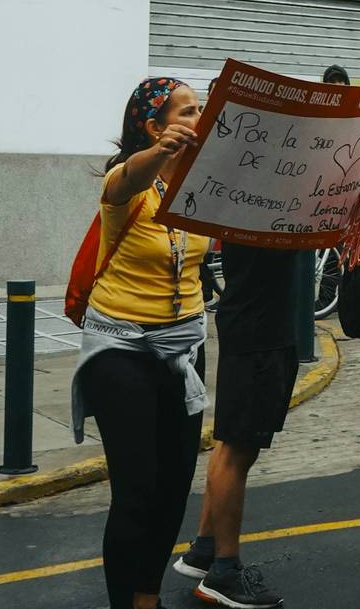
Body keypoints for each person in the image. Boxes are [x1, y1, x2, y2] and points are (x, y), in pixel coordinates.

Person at [68, 78, 213, 609]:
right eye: (188, 111)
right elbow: (129, 177)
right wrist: (159, 154)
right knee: (136, 490)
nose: (200, 116)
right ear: (155, 126)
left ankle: (147, 598)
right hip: (121, 349)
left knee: (174, 487)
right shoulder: (125, 183)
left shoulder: (204, 183)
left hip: (185, 347)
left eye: (200, 108)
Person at [173, 239, 310, 607]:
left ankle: (205, 549)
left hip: (262, 330)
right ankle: (224, 569)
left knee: (232, 444)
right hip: (257, 335)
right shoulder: (257, 213)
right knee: (237, 450)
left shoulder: (262, 213)